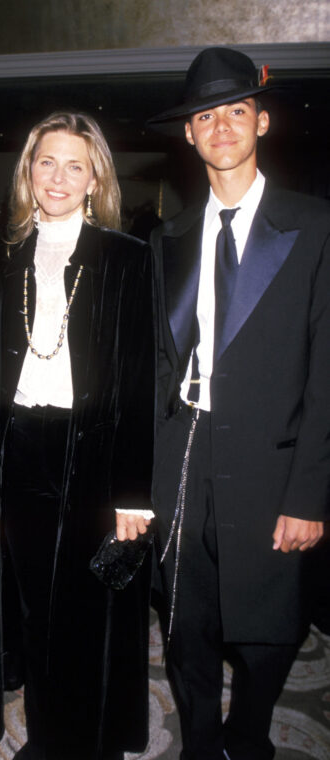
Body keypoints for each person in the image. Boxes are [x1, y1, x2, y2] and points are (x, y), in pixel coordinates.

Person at [148, 47, 330, 760]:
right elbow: (149, 374)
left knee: (265, 631)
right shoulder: (161, 241)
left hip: (272, 468)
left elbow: (325, 372)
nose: (219, 126)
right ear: (187, 136)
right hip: (180, 458)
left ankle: (248, 734)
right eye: (203, 116)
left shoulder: (314, 228)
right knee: (184, 628)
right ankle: (197, 744)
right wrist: (139, 486)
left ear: (261, 121)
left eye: (234, 111)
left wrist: (309, 494)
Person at [0, 112, 155, 760]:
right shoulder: (1, 254)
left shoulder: (124, 257)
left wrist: (133, 493)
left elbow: (140, 380)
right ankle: (44, 733)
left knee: (89, 611)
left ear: (94, 181)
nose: (57, 177)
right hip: (19, 444)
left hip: (92, 448)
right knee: (33, 603)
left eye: (74, 165)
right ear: (27, 174)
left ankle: (91, 741)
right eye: (45, 162)